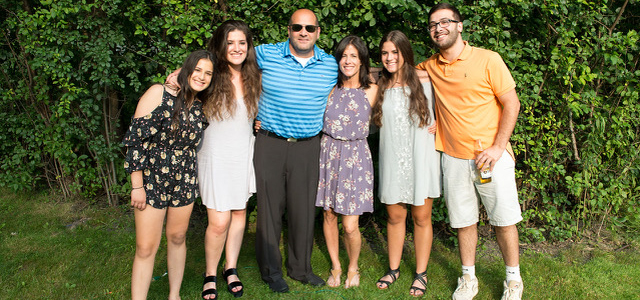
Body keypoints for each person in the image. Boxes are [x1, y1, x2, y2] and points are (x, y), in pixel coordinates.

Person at [416, 3, 523, 300]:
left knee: (503, 220)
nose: (439, 28)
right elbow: (396, 72)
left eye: (445, 22)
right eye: (433, 24)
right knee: (464, 222)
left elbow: (511, 104)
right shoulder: (430, 67)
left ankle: (513, 281)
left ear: (460, 26)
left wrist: (499, 146)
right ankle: (468, 279)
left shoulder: (488, 60)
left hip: (491, 158)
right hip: (452, 157)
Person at [253, 8, 338, 293]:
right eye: (298, 27)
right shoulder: (266, 54)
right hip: (270, 142)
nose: (304, 32)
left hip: (307, 146)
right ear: (288, 29)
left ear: (318, 32)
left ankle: (301, 269)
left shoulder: (330, 64)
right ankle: (270, 271)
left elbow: (363, 74)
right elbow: (231, 59)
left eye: (310, 28)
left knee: (303, 209)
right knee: (269, 209)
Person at [123, 50, 213, 300]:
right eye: (197, 70)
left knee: (177, 237)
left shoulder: (199, 104)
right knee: (145, 247)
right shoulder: (158, 93)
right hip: (152, 178)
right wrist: (136, 185)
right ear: (186, 69)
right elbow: (136, 141)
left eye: (208, 73)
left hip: (184, 178)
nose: (202, 76)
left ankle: (175, 296)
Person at [372, 30, 441, 297]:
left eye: (394, 52)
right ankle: (393, 268)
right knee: (394, 216)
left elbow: (449, 106)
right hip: (392, 156)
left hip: (421, 155)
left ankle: (421, 273)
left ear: (405, 53)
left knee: (421, 217)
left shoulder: (426, 78)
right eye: (384, 53)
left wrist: (440, 125)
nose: (389, 58)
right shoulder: (379, 83)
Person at [198, 20, 261, 300]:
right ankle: (209, 272)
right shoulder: (210, 73)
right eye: (230, 42)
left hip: (243, 152)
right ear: (221, 45)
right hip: (215, 155)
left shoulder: (254, 75)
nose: (236, 48)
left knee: (239, 213)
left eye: (242, 43)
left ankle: (230, 267)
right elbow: (186, 80)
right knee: (218, 221)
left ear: (248, 46)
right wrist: (173, 78)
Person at [315, 35, 378, 289]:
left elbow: (409, 80)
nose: (348, 60)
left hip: (356, 157)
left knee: (350, 225)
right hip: (329, 153)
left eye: (354, 55)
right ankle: (336, 266)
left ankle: (353, 266)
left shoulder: (372, 89)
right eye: (343, 55)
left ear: (362, 60)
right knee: (329, 214)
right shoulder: (329, 87)